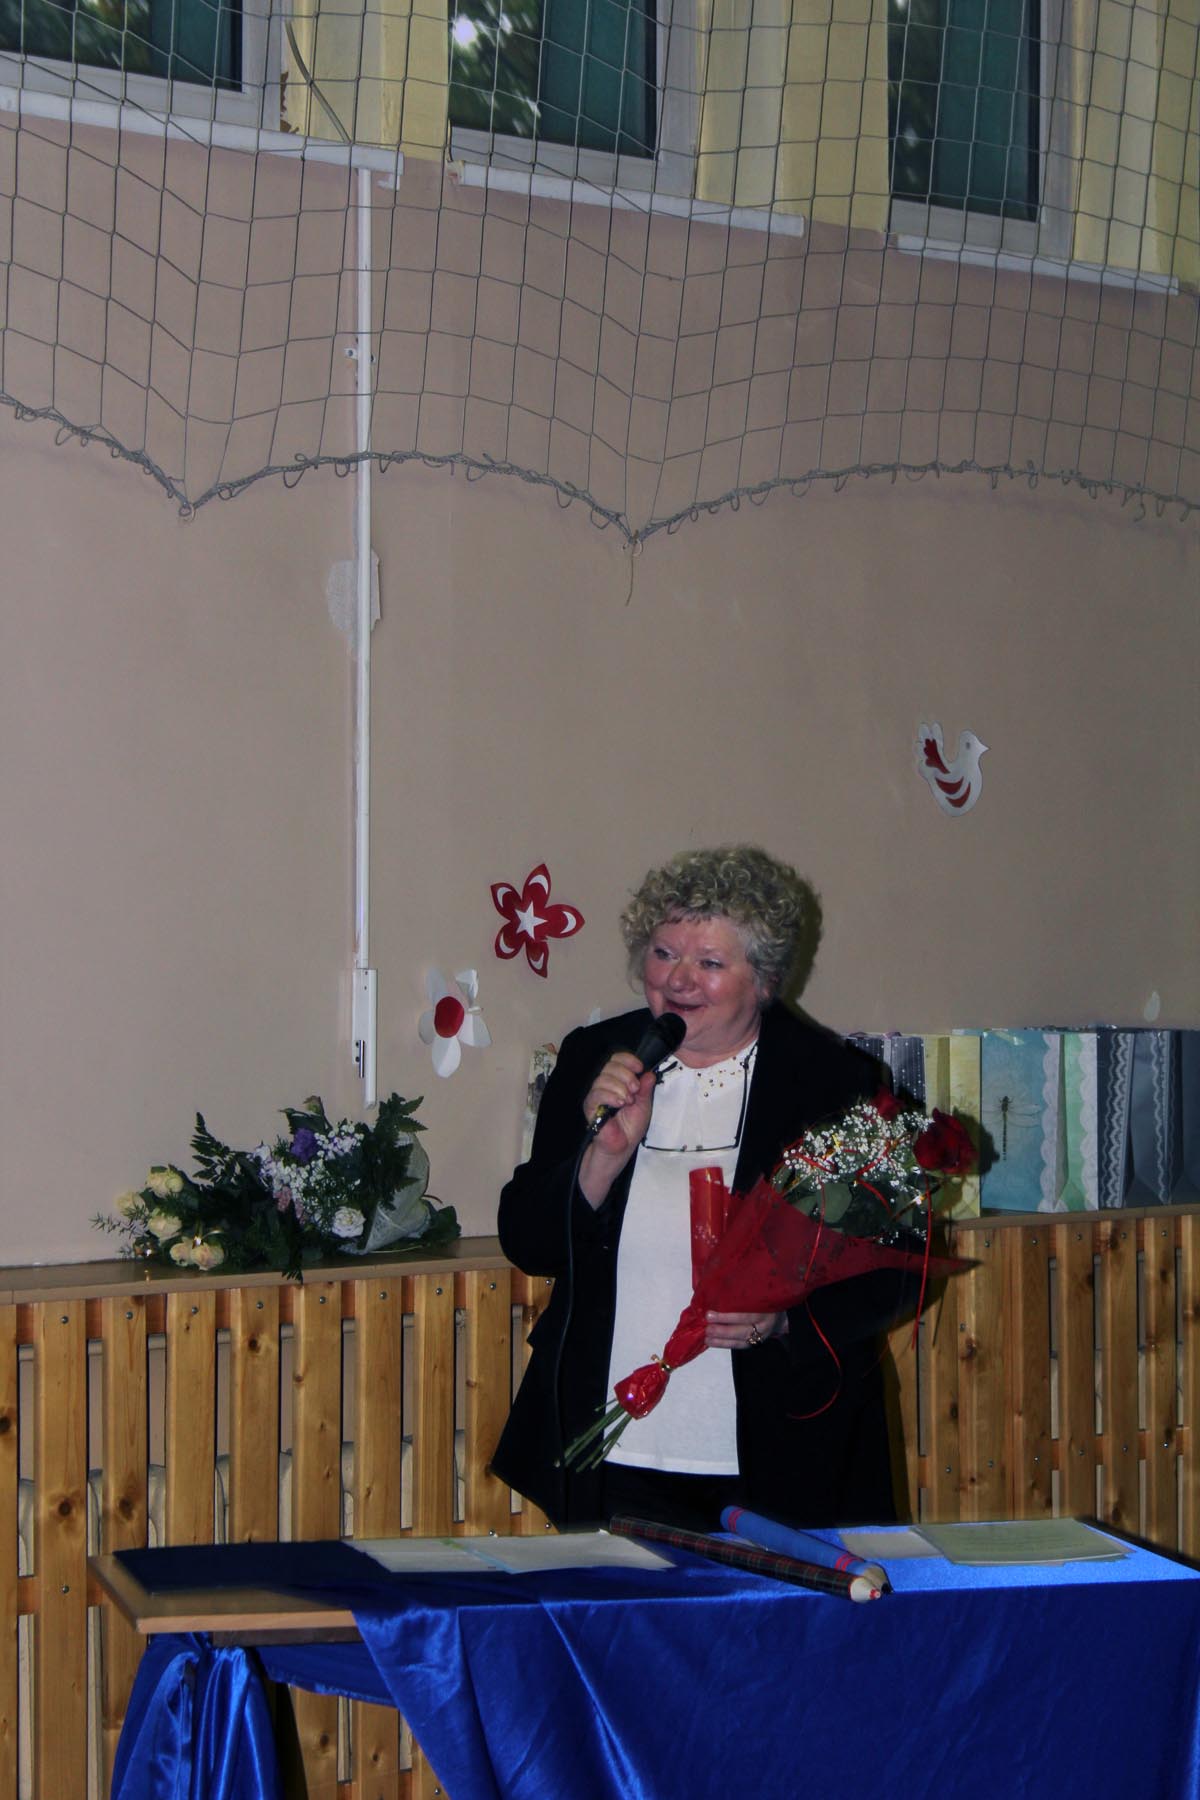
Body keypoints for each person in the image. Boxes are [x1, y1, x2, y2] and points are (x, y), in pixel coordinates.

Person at [492, 845, 906, 1534]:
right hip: (611, 1451)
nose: (677, 978)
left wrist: (786, 1322)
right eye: (662, 953)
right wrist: (602, 1158)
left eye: (709, 962)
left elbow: (893, 1272)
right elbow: (529, 1242)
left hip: (782, 1453)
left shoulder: (834, 1083)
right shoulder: (595, 1059)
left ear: (764, 980)